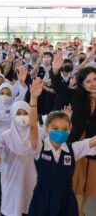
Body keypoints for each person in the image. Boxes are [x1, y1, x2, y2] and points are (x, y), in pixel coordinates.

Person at [27, 77, 96, 216]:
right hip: (43, 197)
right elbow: (33, 126)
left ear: (70, 131)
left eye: (65, 129)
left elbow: (93, 141)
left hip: (66, 199)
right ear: (46, 129)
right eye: (55, 128)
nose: (60, 131)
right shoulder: (39, 147)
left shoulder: (72, 150)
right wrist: (33, 99)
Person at [51, 50, 96, 216]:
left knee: (88, 184)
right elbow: (59, 88)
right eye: (88, 81)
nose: (93, 83)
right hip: (76, 144)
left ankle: (80, 211)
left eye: (95, 79)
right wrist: (55, 71)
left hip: (94, 146)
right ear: (82, 84)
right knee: (75, 181)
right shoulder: (76, 96)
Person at [0, 101, 38, 216]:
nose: (22, 116)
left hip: (29, 174)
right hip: (12, 176)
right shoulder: (7, 134)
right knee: (11, 205)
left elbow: (49, 139)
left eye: (25, 113)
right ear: (13, 115)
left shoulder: (36, 132)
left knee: (27, 201)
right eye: (18, 113)